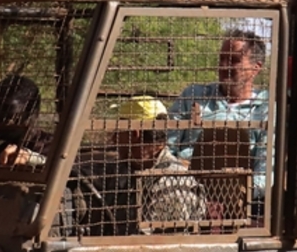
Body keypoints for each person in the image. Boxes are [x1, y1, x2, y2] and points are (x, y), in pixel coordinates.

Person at [72, 96, 207, 235]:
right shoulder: (130, 166)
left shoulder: (172, 183)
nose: (114, 138)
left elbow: (155, 243)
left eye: (119, 131)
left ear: (134, 134)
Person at [166, 29, 271, 198]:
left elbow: (265, 167)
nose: (223, 66)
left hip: (238, 193)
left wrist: (242, 196)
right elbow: (168, 147)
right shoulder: (193, 96)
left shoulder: (265, 108)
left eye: (233, 60)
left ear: (255, 68)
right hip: (185, 189)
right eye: (222, 58)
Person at [0, 75, 49, 167]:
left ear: (30, 111)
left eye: (7, 110)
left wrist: (30, 158)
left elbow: (64, 167)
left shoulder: (55, 148)